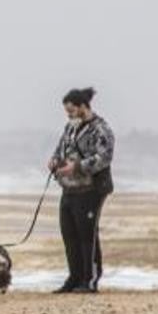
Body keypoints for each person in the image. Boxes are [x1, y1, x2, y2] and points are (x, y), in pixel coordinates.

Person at [47, 87, 114, 294]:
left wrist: (77, 167)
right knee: (69, 234)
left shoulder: (101, 129)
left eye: (72, 111)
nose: (69, 115)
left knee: (87, 235)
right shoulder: (69, 128)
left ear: (84, 107)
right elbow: (60, 149)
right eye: (67, 112)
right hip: (69, 189)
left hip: (92, 189)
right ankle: (74, 278)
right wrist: (54, 161)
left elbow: (104, 157)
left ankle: (90, 279)